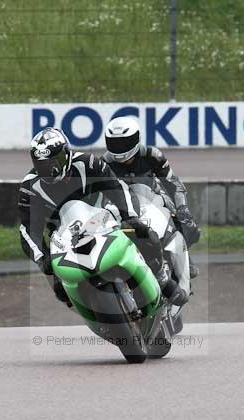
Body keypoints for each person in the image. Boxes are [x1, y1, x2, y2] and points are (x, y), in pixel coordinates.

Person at [18, 127, 188, 307]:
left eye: (55, 162)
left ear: (67, 154)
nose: (50, 170)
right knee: (60, 290)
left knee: (143, 233)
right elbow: (28, 229)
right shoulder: (29, 187)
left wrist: (128, 216)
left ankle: (161, 279)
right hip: (65, 236)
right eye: (41, 165)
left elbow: (116, 187)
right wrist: (42, 258)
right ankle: (90, 309)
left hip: (104, 215)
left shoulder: (88, 163)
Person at [102, 116, 201, 277]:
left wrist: (182, 208)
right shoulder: (104, 163)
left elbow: (173, 183)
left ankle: (184, 258)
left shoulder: (152, 155)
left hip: (153, 197)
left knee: (187, 225)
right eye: (115, 143)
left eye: (124, 142)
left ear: (137, 139)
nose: (120, 148)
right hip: (123, 204)